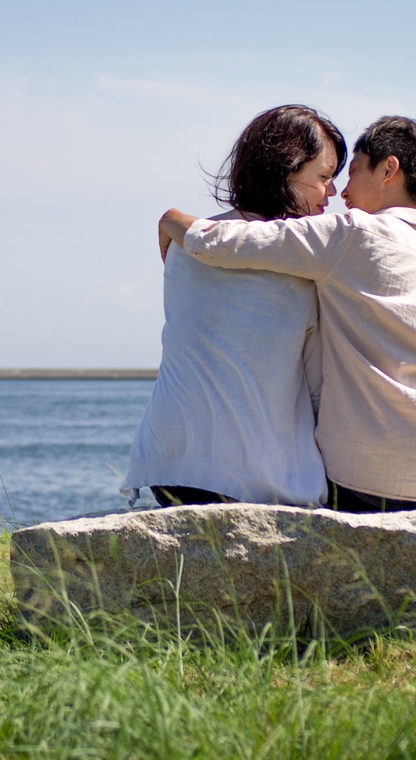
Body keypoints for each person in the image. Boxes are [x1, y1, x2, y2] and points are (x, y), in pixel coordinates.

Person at [158, 115, 416, 511]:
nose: (341, 192)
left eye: (354, 171)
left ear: (389, 169)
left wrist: (175, 221)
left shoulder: (352, 234)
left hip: (371, 475)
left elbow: (236, 241)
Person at [125, 104, 347, 507]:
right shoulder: (301, 259)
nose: (332, 192)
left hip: (168, 467)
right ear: (286, 169)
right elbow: (319, 390)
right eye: (324, 177)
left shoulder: (188, 240)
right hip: (254, 479)